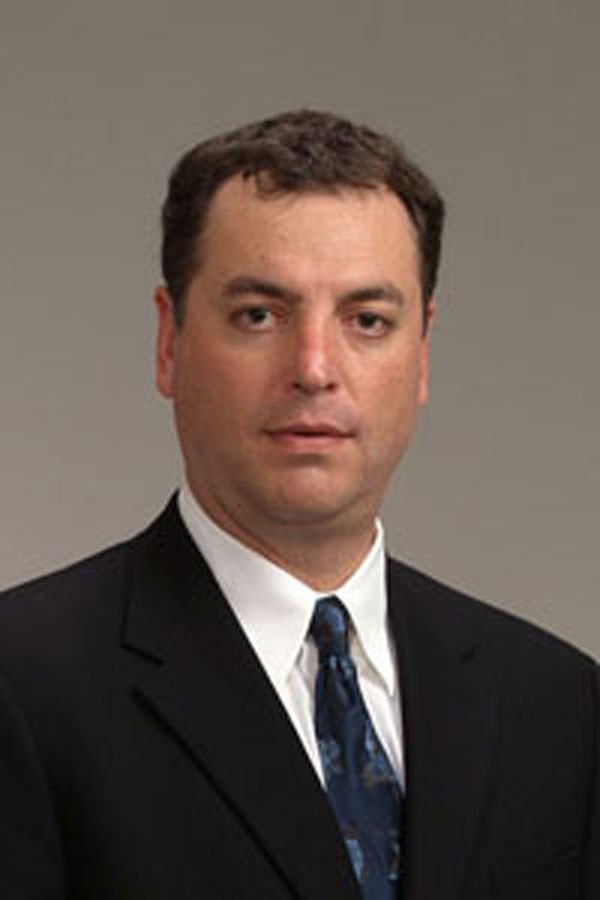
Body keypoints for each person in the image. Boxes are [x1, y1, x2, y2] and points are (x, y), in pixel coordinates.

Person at [0, 110, 597, 900]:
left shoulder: (558, 703)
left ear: (421, 353)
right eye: (260, 315)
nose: (314, 367)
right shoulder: (23, 686)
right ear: (170, 343)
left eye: (367, 321)